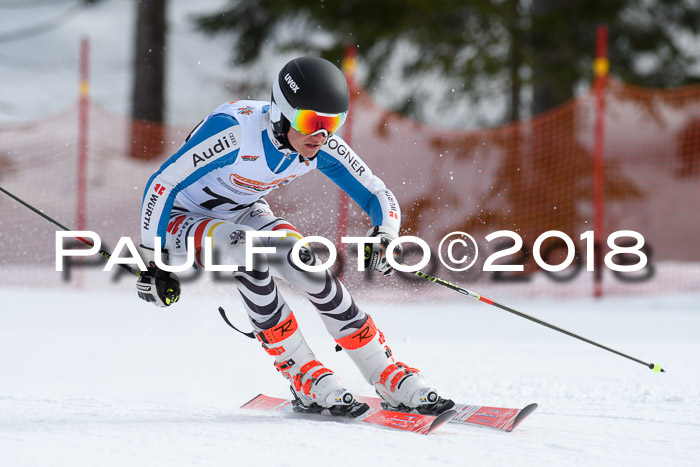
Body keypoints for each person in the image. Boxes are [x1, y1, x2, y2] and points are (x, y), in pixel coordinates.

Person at [135, 56, 453, 417]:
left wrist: (385, 233)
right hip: (181, 219)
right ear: (280, 114)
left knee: (303, 261)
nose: (320, 135)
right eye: (310, 122)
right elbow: (162, 184)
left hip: (241, 212)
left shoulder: (320, 145)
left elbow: (375, 192)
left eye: (332, 124)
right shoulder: (235, 133)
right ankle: (301, 372)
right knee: (248, 250)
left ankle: (384, 372)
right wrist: (153, 263)